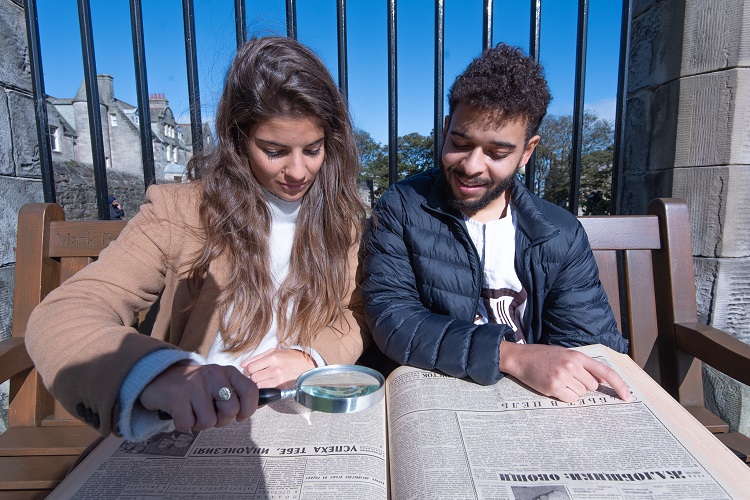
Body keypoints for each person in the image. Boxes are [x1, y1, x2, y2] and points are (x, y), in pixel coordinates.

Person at [25, 36, 369, 442]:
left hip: (304, 413)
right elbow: (66, 313)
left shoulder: (343, 220)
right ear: (239, 138)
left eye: (313, 149)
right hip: (196, 425)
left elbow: (357, 312)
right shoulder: (181, 212)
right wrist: (165, 373)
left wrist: (310, 355)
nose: (298, 172)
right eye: (274, 151)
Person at [361, 43, 632, 404]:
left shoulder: (559, 233)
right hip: (437, 394)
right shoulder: (403, 207)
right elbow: (394, 322)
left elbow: (587, 342)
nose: (472, 165)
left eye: (496, 153)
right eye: (460, 142)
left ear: (527, 151)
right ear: (445, 130)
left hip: (534, 399)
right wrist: (512, 356)